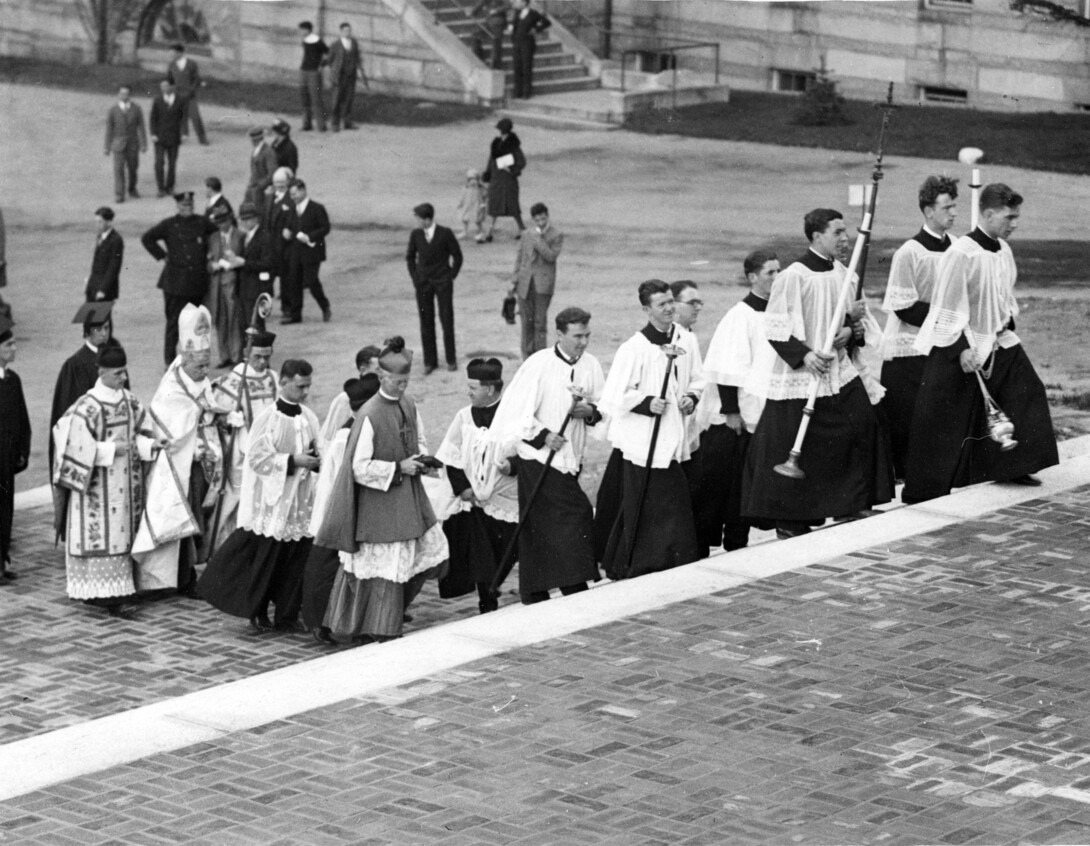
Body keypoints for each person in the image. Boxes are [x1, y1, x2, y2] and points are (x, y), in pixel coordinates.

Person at [742, 209, 893, 539]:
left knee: (862, 423)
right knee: (800, 440)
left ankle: (851, 503)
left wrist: (849, 333)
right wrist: (805, 355)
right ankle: (792, 519)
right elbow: (775, 326)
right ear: (816, 237)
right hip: (804, 372)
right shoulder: (794, 276)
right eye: (837, 232)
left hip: (838, 368)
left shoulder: (846, 273)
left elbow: (856, 323)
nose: (845, 238)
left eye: (845, 232)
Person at [903, 184, 1058, 504]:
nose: (1014, 223)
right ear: (987, 214)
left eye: (1016, 217)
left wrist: (1003, 323)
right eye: (1009, 217)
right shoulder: (961, 254)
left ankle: (1014, 464)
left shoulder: (1002, 249)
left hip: (999, 337)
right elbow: (945, 304)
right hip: (962, 342)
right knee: (943, 415)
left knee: (1028, 390)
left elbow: (1002, 296)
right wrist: (960, 348)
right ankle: (924, 490)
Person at [316, 337, 448, 642]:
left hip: (409, 498)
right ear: (382, 378)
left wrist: (422, 460)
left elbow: (420, 439)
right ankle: (375, 628)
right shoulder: (370, 414)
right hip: (379, 502)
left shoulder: (409, 403)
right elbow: (358, 467)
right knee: (379, 569)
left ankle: (384, 623)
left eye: (405, 381)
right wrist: (397, 468)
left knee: (424, 559)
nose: (402, 387)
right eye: (397, 382)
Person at [490, 307, 604, 603]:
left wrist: (588, 412)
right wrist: (544, 436)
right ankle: (573, 584)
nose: (583, 342)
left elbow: (603, 408)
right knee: (576, 514)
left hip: (570, 458)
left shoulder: (591, 364)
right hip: (539, 459)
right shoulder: (538, 364)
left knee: (539, 525)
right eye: (577, 336)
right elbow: (516, 412)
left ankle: (534, 590)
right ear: (559, 334)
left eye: (587, 335)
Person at [199, 359, 322, 632]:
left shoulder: (309, 417)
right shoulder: (268, 418)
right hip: (273, 504)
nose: (305, 392)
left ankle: (287, 616)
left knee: (296, 563)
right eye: (300, 386)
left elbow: (318, 449)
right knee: (268, 562)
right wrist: (293, 461)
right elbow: (256, 458)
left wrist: (316, 460)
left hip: (300, 503)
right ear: (285, 383)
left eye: (308, 387)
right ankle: (257, 612)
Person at [596, 280, 702, 579]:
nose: (669, 308)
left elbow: (698, 378)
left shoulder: (686, 339)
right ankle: (642, 563)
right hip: (644, 439)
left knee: (672, 501)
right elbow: (614, 395)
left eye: (670, 301)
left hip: (673, 434)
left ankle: (674, 559)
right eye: (661, 304)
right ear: (646, 309)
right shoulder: (634, 348)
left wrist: (690, 398)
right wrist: (645, 403)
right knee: (646, 502)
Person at [52, 344, 160, 616]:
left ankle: (119, 592)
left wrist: (151, 445)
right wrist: (110, 450)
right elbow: (71, 444)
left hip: (126, 488)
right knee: (105, 538)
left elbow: (140, 433)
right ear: (101, 372)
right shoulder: (87, 406)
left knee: (123, 536)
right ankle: (104, 596)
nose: (123, 378)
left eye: (124, 373)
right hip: (97, 489)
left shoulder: (130, 401)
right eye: (117, 374)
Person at [132, 304, 230, 596]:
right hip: (177, 466)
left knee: (198, 517)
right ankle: (178, 578)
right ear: (185, 359)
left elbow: (206, 409)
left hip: (199, 464)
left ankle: (190, 572)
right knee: (184, 517)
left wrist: (220, 417)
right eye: (199, 366)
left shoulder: (198, 381)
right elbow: (173, 429)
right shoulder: (172, 389)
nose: (204, 372)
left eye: (206, 366)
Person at [698, 251, 780, 555]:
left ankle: (743, 541)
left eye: (778, 272)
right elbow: (725, 366)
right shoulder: (739, 316)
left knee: (751, 486)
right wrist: (731, 411)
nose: (776, 278)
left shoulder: (777, 313)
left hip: (766, 410)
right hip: (740, 417)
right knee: (731, 487)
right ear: (752, 278)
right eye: (770, 273)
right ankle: (726, 544)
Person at [879, 175, 958, 481]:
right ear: (928, 210)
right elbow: (903, 305)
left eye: (954, 206)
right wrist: (947, 317)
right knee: (909, 417)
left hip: (946, 344)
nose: (952, 213)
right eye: (946, 207)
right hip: (911, 348)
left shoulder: (958, 249)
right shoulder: (909, 252)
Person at [435, 358, 517, 614]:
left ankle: (494, 585)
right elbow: (451, 454)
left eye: (473, 387)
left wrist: (511, 466)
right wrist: (463, 488)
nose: (467, 391)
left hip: (506, 498)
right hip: (474, 500)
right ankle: (487, 598)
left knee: (507, 549)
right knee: (482, 554)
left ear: (490, 389)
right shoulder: (464, 416)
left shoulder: (513, 415)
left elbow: (528, 452)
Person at [303, 373, 379, 641]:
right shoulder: (344, 438)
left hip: (363, 508)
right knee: (327, 566)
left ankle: (359, 620)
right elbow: (337, 480)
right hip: (338, 508)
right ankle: (317, 622)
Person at [208, 330, 279, 552]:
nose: (263, 362)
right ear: (246, 353)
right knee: (241, 498)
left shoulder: (272, 377)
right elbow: (217, 417)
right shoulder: (233, 381)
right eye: (257, 356)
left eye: (267, 357)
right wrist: (230, 420)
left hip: (271, 450)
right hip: (243, 451)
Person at [141, 191, 219, 367]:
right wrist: (163, 256)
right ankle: (169, 360)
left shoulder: (201, 222)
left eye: (190, 205)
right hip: (175, 283)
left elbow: (216, 234)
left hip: (197, 283)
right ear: (178, 206)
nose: (187, 208)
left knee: (196, 324)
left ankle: (193, 358)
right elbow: (147, 238)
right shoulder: (169, 225)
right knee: (173, 324)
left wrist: (211, 254)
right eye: (184, 205)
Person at [406, 202, 463, 373]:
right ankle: (429, 362)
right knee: (426, 322)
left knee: (447, 320)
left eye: (418, 218)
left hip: (442, 283)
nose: (416, 221)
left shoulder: (445, 233)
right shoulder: (416, 234)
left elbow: (457, 256)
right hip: (423, 284)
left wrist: (449, 277)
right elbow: (410, 258)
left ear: (427, 219)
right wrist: (416, 279)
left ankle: (451, 360)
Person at [510, 202, 563, 359]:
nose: (541, 222)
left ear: (547, 216)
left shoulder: (556, 234)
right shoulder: (527, 233)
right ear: (533, 219)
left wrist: (538, 240)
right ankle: (526, 355)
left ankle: (540, 357)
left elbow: (551, 256)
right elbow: (520, 258)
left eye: (543, 218)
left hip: (543, 285)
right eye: (537, 219)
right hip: (525, 284)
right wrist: (514, 280)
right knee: (526, 322)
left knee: (539, 322)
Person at [0, 318, 30, 582]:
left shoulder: (12, 379)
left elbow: (22, 418)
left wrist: (22, 450)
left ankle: (1, 561)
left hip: (6, 461)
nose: (14, 348)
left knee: (5, 509)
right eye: (9, 344)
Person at [281, 179, 332, 325]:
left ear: (303, 190)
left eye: (295, 193)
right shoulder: (292, 210)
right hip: (296, 251)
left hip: (312, 251)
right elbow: (289, 226)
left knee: (311, 280)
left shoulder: (317, 208)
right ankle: (296, 314)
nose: (294, 197)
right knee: (294, 281)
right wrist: (287, 232)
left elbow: (325, 228)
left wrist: (309, 236)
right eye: (291, 194)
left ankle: (324, 305)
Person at [206, 206, 244, 368]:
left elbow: (244, 259)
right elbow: (207, 260)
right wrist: (212, 265)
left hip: (234, 283)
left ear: (230, 219)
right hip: (217, 285)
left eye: (225, 221)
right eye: (219, 222)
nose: (222, 225)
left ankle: (236, 356)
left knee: (234, 319)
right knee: (220, 320)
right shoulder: (213, 238)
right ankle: (224, 356)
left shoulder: (240, 236)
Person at [319, 344, 381, 443]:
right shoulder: (346, 398)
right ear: (363, 369)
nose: (383, 374)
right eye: (378, 370)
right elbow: (331, 437)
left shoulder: (386, 395)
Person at [478, 118, 526, 242]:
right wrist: (487, 175)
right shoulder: (497, 143)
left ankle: (522, 231)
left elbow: (521, 162)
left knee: (513, 208)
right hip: (497, 180)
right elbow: (491, 161)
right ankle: (488, 233)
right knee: (493, 207)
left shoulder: (513, 145)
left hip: (508, 180)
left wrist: (512, 170)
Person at [104, 84, 147, 203]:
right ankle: (119, 194)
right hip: (118, 145)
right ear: (118, 95)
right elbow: (109, 130)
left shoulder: (136, 108)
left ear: (130, 95)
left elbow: (141, 127)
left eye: (127, 94)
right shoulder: (113, 110)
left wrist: (144, 144)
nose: (124, 96)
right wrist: (107, 147)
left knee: (133, 169)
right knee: (118, 169)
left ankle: (132, 189)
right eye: (122, 93)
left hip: (133, 144)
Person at [235, 201, 274, 326]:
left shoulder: (264, 237)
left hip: (257, 288)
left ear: (256, 218)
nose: (246, 222)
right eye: (243, 219)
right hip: (244, 288)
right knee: (245, 325)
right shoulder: (244, 237)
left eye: (249, 219)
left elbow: (267, 263)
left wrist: (245, 263)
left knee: (256, 324)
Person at [264, 167, 296, 312]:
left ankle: (287, 309)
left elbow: (295, 220)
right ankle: (264, 308)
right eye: (277, 182)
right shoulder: (269, 197)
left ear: (288, 182)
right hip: (270, 245)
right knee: (265, 279)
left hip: (284, 246)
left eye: (282, 182)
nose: (279, 185)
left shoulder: (291, 199)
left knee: (286, 279)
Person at [166, 43, 208, 145]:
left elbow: (196, 79)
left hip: (190, 95)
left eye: (173, 54)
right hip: (177, 95)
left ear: (180, 53)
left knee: (195, 117)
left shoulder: (191, 64)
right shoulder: (171, 65)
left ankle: (202, 138)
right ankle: (181, 135)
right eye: (170, 54)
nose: (171, 56)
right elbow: (170, 80)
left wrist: (191, 91)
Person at [329, 22, 368, 131]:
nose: (348, 33)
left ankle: (347, 122)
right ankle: (335, 124)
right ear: (341, 32)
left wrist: (360, 70)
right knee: (336, 100)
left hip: (351, 76)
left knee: (348, 100)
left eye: (349, 30)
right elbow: (330, 60)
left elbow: (357, 58)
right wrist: (335, 71)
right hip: (339, 77)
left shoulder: (354, 43)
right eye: (345, 31)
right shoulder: (335, 45)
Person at [150, 78, 185, 198]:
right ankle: (160, 188)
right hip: (160, 138)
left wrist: (183, 133)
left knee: (172, 164)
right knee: (159, 163)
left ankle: (170, 187)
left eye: (165, 86)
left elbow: (183, 117)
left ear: (172, 87)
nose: (163, 88)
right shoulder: (158, 100)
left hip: (174, 137)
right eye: (162, 86)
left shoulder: (179, 100)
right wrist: (153, 133)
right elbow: (153, 118)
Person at [510, 0, 551, 99]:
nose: (516, 3)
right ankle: (517, 92)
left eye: (519, 1)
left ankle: (527, 92)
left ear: (524, 3)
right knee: (517, 67)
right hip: (517, 43)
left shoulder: (533, 14)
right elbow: (514, 26)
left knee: (526, 67)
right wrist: (513, 35)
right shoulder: (517, 13)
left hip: (527, 43)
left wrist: (536, 29)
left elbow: (546, 22)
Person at [85, 206, 123, 302]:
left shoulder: (116, 240)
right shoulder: (100, 236)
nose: (97, 225)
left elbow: (114, 267)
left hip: (105, 290)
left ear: (109, 222)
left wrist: (103, 290)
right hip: (93, 287)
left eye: (100, 222)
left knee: (102, 316)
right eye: (96, 222)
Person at [298, 21, 329, 132]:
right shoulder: (304, 40)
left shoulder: (317, 41)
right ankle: (307, 124)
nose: (300, 31)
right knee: (304, 98)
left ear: (308, 30)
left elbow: (328, 53)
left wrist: (322, 65)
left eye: (302, 29)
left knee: (316, 99)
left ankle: (321, 125)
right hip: (303, 71)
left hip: (314, 73)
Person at [245, 127, 279, 218]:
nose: (252, 142)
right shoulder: (255, 151)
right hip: (254, 186)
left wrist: (260, 185)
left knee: (259, 212)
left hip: (263, 188)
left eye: (254, 140)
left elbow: (272, 173)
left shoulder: (268, 152)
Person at [471, 0, 509, 68]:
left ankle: (495, 65)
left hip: (498, 21)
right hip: (488, 20)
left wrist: (496, 10)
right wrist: (473, 11)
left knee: (496, 42)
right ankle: (479, 58)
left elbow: (508, 5)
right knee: (476, 36)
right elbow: (482, 2)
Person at [456, 168, 487, 240]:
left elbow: (485, 196)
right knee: (464, 218)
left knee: (477, 220)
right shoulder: (465, 188)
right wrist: (460, 203)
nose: (473, 181)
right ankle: (464, 231)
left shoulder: (481, 188)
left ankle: (481, 232)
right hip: (467, 206)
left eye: (475, 179)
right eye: (470, 179)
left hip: (477, 206)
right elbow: (462, 196)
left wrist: (483, 204)